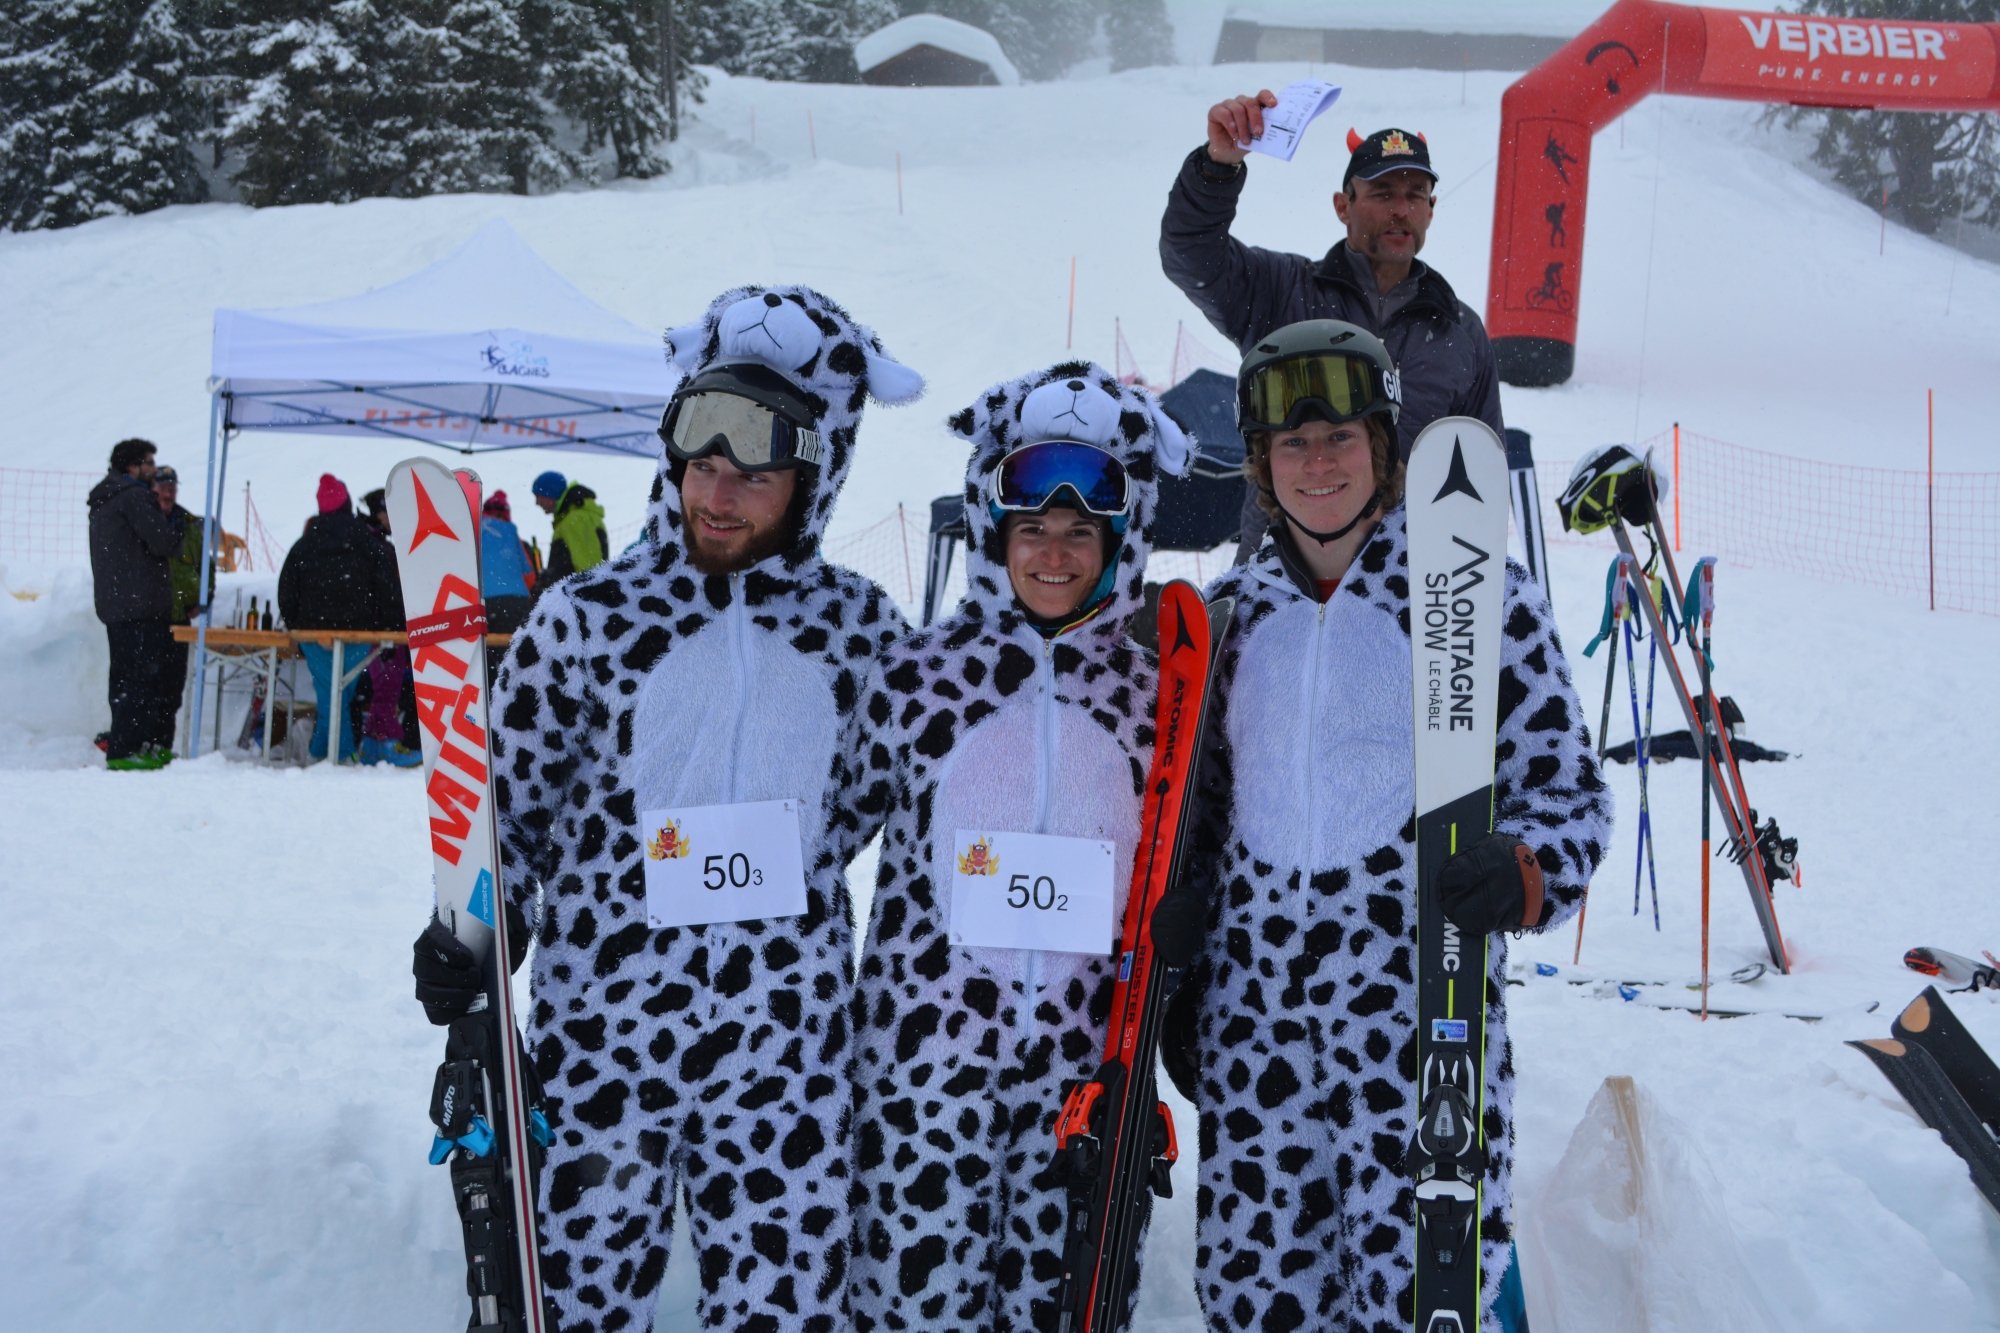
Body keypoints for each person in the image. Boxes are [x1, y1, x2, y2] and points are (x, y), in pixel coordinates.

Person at [411, 286, 925, 1332]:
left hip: (787, 1044)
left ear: (813, 476)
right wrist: (469, 931)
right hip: (606, 1030)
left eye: (754, 473)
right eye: (703, 465)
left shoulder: (859, 630)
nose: (720, 494)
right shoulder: (588, 618)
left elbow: (871, 800)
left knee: (782, 1303)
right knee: (579, 1294)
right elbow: (508, 799)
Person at [1149, 321, 1608, 1333]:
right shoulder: (1231, 616)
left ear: (1382, 446)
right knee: (1259, 1293)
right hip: (1255, 1022)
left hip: (1411, 1018)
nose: (1318, 463)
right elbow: (1198, 816)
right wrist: (1179, 954)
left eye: (1340, 437)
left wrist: (1524, 871)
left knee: (1415, 1292)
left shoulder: (1474, 596)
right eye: (1291, 445)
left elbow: (1564, 788)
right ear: (1262, 467)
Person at [833, 365, 1193, 1332]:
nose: (1054, 553)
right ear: (996, 535)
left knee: (1063, 1308)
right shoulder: (915, 675)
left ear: (1123, 538)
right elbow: (821, 831)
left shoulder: (1156, 692)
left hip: (1088, 1075)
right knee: (915, 1309)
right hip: (922, 1073)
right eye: (1032, 528)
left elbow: (1190, 860)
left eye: (1082, 532)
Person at [1160, 103, 1505, 562]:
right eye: (1382, 193)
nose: (1401, 209)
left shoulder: (1459, 330)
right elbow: (1191, 253)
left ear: (1431, 210)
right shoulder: (1283, 292)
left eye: (1416, 194)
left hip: (1410, 588)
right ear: (1343, 206)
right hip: (1282, 580)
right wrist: (1218, 168)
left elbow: (1482, 470)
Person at [277, 473, 403, 763]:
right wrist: (389, 627)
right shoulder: (369, 544)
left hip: (313, 632)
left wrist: (297, 625)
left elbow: (286, 591)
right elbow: (387, 589)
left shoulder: (303, 545)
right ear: (347, 504)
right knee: (339, 694)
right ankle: (340, 756)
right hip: (358, 632)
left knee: (331, 695)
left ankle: (323, 755)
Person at [88, 438, 185, 769]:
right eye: (148, 463)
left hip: (116, 605)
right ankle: (130, 750)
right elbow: (164, 541)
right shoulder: (133, 497)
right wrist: (175, 531)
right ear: (132, 467)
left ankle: (126, 745)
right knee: (144, 683)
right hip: (141, 606)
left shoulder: (105, 499)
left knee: (125, 681)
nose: (154, 470)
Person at [530, 468, 607, 590]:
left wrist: (588, 595)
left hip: (578, 598)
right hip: (574, 596)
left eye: (539, 496)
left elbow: (588, 565)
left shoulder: (575, 519)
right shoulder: (572, 517)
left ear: (551, 493)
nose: (537, 502)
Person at [478, 490, 534, 634]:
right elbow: (529, 574)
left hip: (481, 603)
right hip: (516, 601)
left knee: (485, 651)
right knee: (516, 650)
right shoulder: (510, 530)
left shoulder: (471, 530)